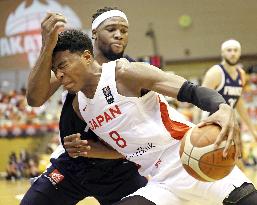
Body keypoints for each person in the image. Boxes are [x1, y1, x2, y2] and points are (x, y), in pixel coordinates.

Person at [52, 28, 257, 205]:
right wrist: (91, 150)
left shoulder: (123, 73)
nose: (59, 75)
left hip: (191, 156)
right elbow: (124, 151)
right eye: (55, 70)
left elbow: (190, 91)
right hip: (161, 183)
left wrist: (222, 107)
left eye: (63, 65)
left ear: (87, 57)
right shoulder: (81, 107)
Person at [21, 8, 148, 205]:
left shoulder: (132, 71)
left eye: (124, 30)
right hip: (73, 165)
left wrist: (94, 149)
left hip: (119, 169)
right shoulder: (72, 63)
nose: (119, 35)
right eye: (112, 29)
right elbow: (34, 99)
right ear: (94, 33)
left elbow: (142, 140)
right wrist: (47, 45)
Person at [199, 39, 257, 140]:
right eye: (229, 50)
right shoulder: (215, 72)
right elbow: (198, 99)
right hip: (211, 124)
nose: (233, 53)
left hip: (229, 124)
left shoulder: (241, 74)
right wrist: (196, 127)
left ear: (239, 53)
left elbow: (239, 103)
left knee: (234, 155)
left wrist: (252, 130)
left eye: (235, 50)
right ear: (222, 53)